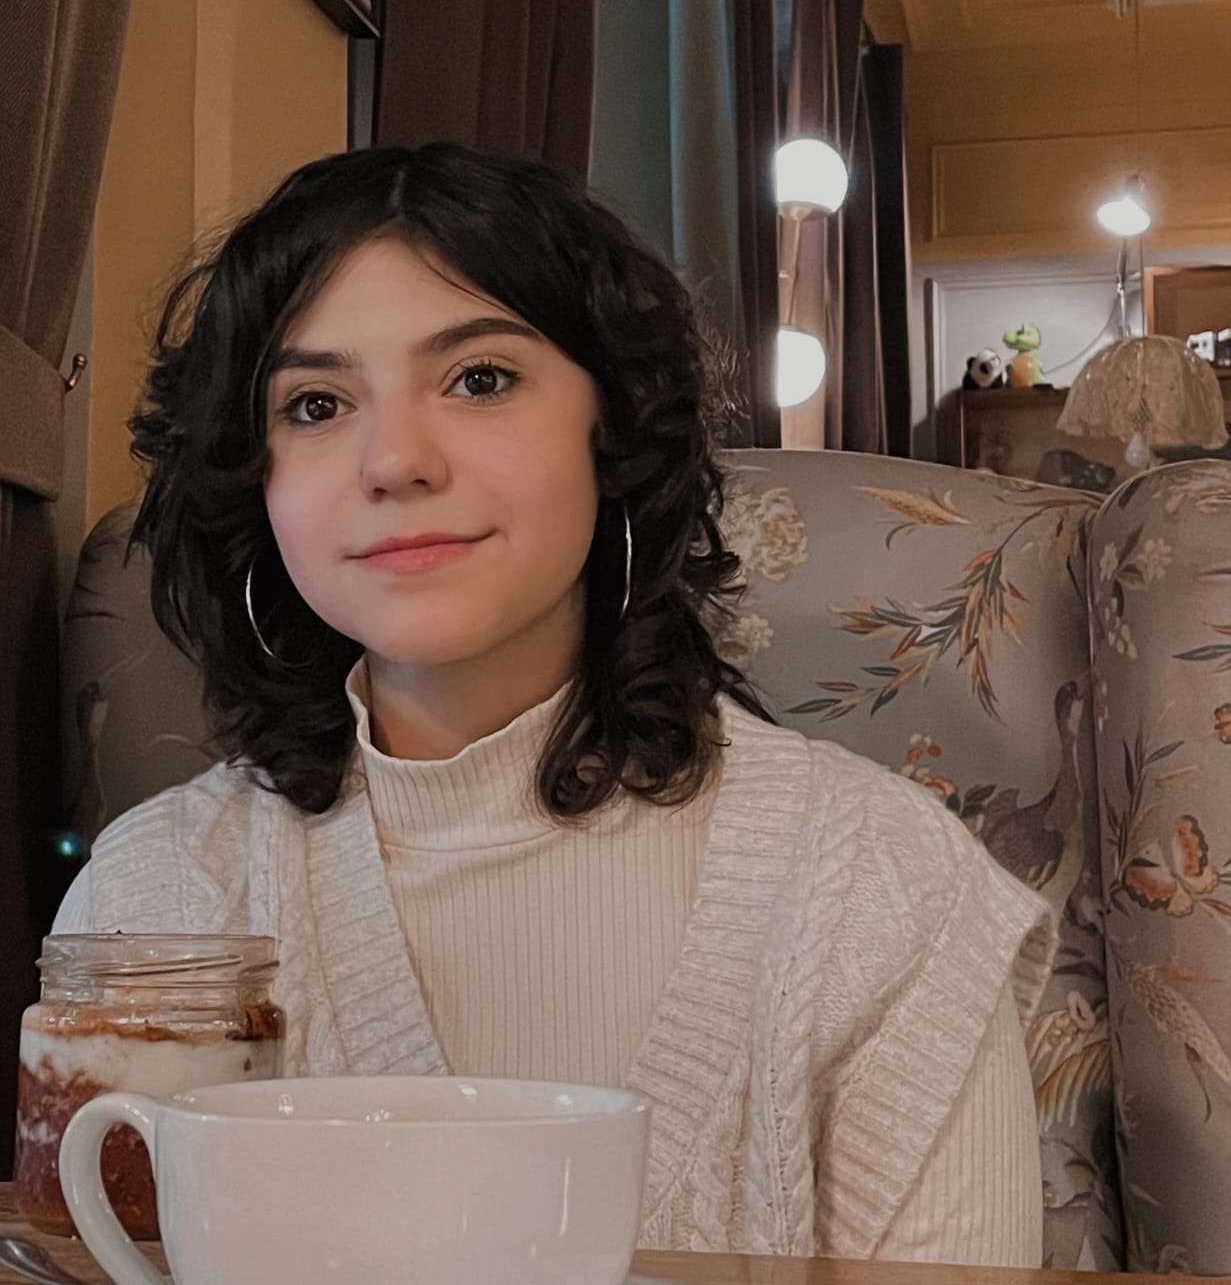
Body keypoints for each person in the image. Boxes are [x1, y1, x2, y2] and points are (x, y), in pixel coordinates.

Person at [54, 143, 1056, 1262]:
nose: (394, 461)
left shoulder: (879, 889)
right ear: (256, 478)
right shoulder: (153, 899)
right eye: (316, 403)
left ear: (613, 427)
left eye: (479, 379)